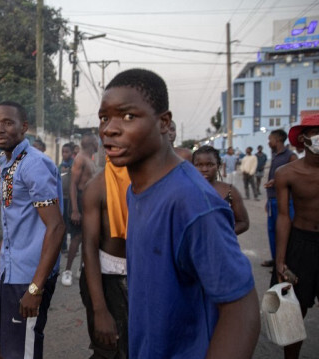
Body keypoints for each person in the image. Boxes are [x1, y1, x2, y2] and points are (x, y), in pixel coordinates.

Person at [100, 68, 259, 358]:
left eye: (127, 116)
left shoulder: (193, 203)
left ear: (164, 122)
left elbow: (241, 307)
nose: (109, 128)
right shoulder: (134, 191)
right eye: (104, 118)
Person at [0, 101, 65, 359]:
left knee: (22, 352)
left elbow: (56, 226)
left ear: (24, 127)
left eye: (8, 123)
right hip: (11, 269)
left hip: (29, 276)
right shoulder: (8, 163)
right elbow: (19, 217)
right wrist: (0, 251)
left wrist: (35, 289)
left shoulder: (33, 164)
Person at [273, 114, 319, 359]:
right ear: (304, 138)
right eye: (317, 132)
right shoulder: (286, 173)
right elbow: (283, 217)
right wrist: (281, 260)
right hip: (301, 244)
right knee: (293, 311)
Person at [80, 156, 130, 358]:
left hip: (145, 277)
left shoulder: (157, 179)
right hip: (108, 278)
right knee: (110, 351)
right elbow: (89, 248)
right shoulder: (97, 186)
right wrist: (100, 310)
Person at [62, 133, 98, 287]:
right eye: (96, 142)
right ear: (91, 143)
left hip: (88, 203)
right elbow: (73, 184)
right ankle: (67, 271)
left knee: (87, 237)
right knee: (76, 238)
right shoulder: (80, 159)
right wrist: (75, 210)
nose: (98, 145)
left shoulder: (90, 160)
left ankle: (81, 270)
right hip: (79, 201)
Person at [192, 146, 249, 235]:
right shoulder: (186, 191)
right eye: (199, 165)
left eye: (210, 165)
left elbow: (243, 223)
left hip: (223, 247)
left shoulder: (230, 191)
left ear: (218, 165)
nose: (204, 169)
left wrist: (222, 236)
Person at [262, 129, 298, 268]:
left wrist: (277, 181)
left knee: (284, 232)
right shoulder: (275, 155)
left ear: (277, 140)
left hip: (285, 201)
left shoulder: (291, 156)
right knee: (272, 232)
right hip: (272, 200)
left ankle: (285, 262)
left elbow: (295, 178)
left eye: (270, 139)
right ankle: (275, 259)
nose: (268, 142)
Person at [58, 143, 75, 253]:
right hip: (61, 198)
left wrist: (69, 170)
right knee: (62, 222)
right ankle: (63, 246)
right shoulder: (60, 165)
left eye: (67, 152)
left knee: (70, 223)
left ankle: (73, 245)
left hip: (71, 198)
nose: (64, 154)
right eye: (63, 152)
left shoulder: (74, 165)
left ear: (72, 153)